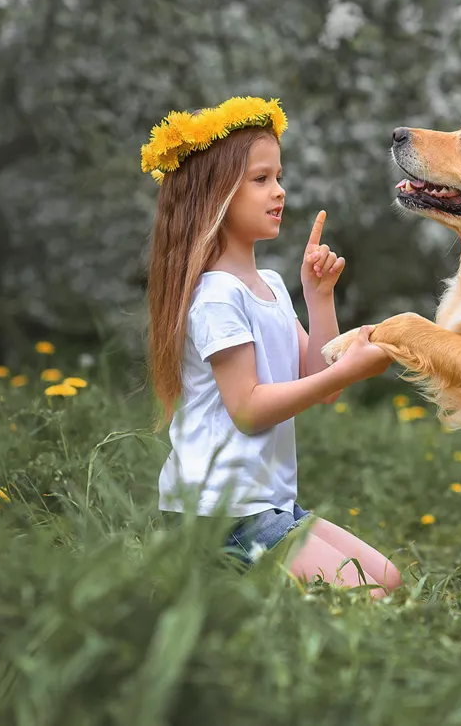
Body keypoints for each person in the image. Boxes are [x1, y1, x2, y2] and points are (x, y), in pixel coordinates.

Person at [141, 96, 401, 597]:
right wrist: (347, 371)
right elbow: (249, 409)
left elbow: (317, 384)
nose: (279, 192)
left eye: (278, 177)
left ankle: (230, 583)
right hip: (219, 514)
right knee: (372, 595)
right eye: (261, 180)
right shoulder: (217, 295)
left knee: (388, 579)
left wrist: (318, 297)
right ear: (215, 194)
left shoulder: (271, 285)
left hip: (266, 505)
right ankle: (209, 572)